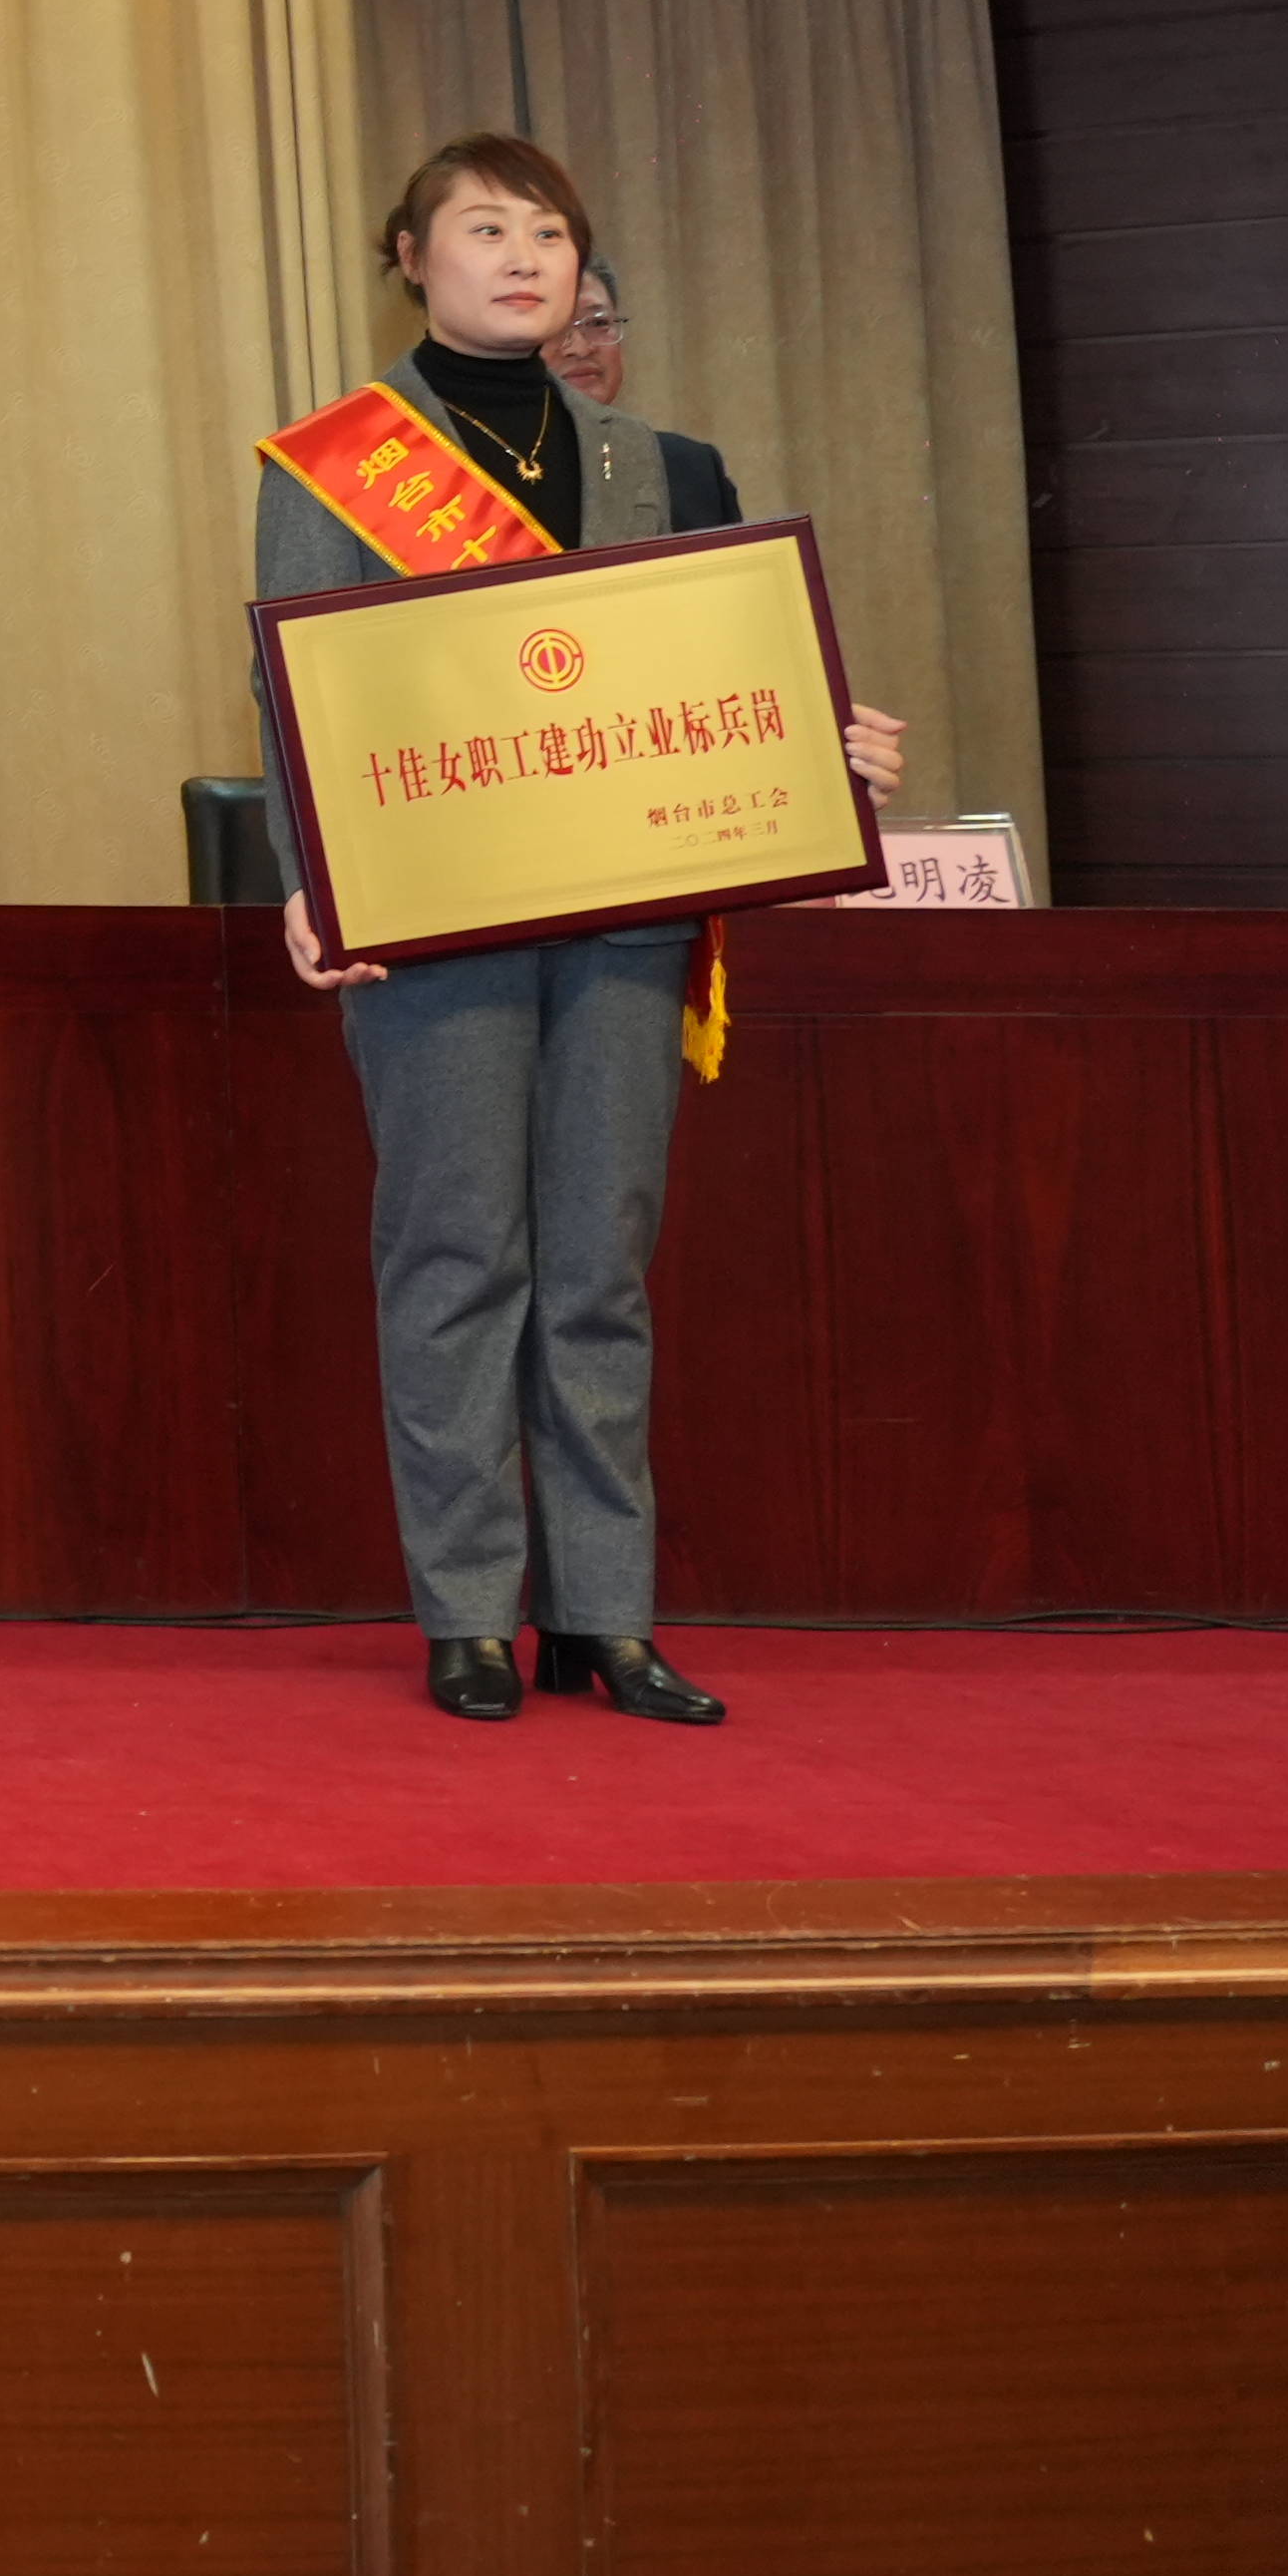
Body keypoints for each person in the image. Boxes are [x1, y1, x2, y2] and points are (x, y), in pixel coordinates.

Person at [267, 136, 897, 1732]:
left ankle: (607, 1616)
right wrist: (313, 882)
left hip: (628, 921)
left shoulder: (668, 467)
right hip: (437, 921)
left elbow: (722, 683)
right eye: (486, 227)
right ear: (410, 252)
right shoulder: (337, 466)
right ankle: (469, 1609)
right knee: (460, 1254)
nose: (524, 255)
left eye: (549, 231)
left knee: (600, 1266)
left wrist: (822, 744)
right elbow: (296, 702)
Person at [546, 260, 750, 532]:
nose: (581, 348)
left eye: (598, 323)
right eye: (557, 327)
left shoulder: (691, 468)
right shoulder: (489, 484)